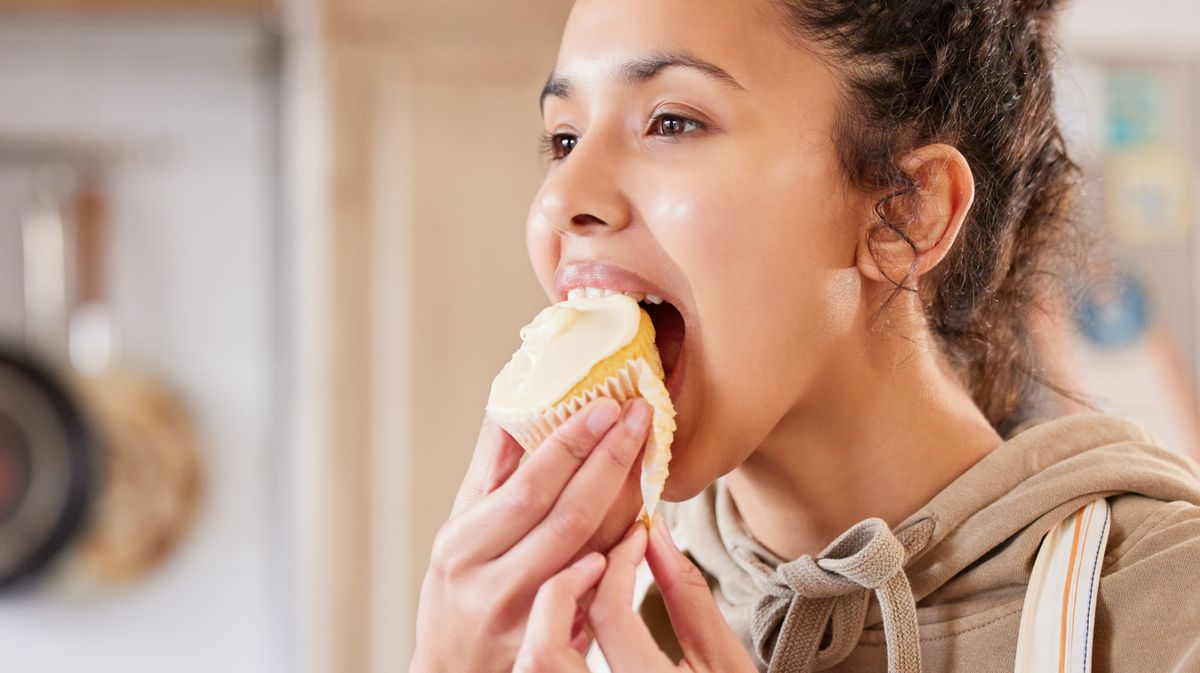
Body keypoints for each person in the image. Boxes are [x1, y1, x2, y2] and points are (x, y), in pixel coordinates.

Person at [409, 1, 1200, 671]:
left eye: (671, 121)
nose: (562, 200)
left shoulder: (1168, 611)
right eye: (564, 138)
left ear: (909, 209)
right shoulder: (577, 629)